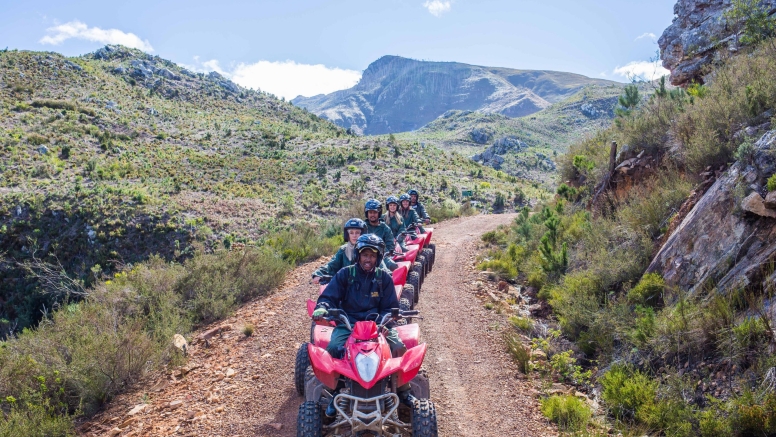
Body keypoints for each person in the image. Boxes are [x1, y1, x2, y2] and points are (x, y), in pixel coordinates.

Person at [312, 234, 415, 414]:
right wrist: (322, 307)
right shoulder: (345, 274)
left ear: (378, 257)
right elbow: (329, 297)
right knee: (334, 348)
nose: (369, 259)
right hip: (349, 323)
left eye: (373, 255)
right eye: (365, 255)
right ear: (358, 255)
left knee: (398, 347)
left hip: (378, 325)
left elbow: (391, 306)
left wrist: (389, 317)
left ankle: (403, 391)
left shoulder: (383, 278)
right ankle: (335, 393)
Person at [311, 218, 368, 283]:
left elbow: (379, 268)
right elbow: (332, 265)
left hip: (365, 286)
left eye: (357, 233)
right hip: (346, 286)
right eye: (351, 233)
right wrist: (318, 273)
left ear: (363, 234)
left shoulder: (369, 250)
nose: (354, 235)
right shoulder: (343, 250)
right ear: (347, 235)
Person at [363, 198, 398, 270]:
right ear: (367, 213)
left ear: (379, 213)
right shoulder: (362, 227)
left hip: (382, 255)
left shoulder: (385, 228)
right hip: (364, 256)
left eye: (375, 212)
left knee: (393, 266)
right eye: (370, 212)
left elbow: (390, 244)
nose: (372, 215)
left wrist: (385, 252)